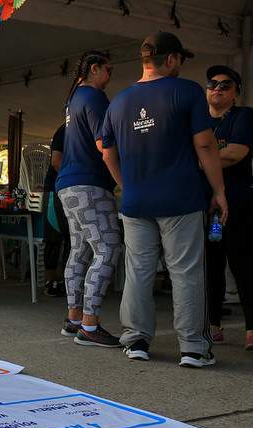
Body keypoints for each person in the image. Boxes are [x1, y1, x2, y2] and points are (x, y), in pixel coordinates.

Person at [101, 33, 227, 367]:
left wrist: (126, 185)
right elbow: (205, 145)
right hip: (180, 198)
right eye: (180, 59)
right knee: (185, 272)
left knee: (138, 271)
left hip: (136, 201)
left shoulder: (119, 101)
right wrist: (219, 190)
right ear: (171, 59)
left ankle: (136, 340)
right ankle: (193, 348)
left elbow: (106, 152)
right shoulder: (186, 91)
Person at [56, 50, 122, 348]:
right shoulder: (94, 97)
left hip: (69, 184)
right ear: (94, 69)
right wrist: (122, 182)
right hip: (90, 184)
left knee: (80, 250)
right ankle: (89, 325)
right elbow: (104, 144)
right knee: (108, 249)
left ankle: (74, 318)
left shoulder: (73, 99)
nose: (110, 77)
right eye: (108, 70)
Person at [203, 65, 253, 350]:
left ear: (235, 92)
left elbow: (235, 154)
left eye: (225, 85)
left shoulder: (244, 116)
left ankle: (251, 329)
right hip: (204, 205)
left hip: (238, 202)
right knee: (210, 266)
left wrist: (200, 160)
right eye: (212, 84)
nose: (218, 89)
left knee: (243, 265)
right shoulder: (199, 120)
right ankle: (213, 325)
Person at [43, 123, 68, 297]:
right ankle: (50, 281)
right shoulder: (64, 130)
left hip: (69, 189)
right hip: (55, 189)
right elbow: (56, 161)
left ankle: (65, 281)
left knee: (71, 239)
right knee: (54, 237)